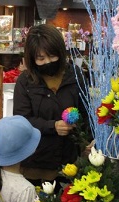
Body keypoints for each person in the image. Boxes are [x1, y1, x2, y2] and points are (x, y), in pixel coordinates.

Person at [13, 24, 92, 186]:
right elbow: (21, 120)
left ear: (61, 52)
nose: (48, 62)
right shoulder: (26, 81)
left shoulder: (75, 75)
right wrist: (52, 126)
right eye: (41, 59)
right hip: (37, 162)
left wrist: (89, 141)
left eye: (52, 56)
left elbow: (86, 112)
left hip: (70, 161)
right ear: (32, 58)